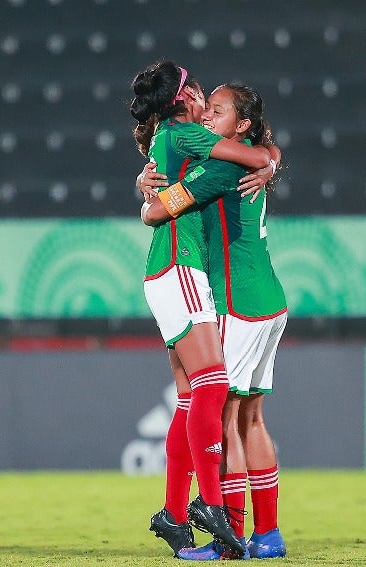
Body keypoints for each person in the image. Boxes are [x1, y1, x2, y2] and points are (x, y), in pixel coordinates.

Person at [129, 60, 274, 559]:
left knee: (192, 396)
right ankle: (211, 505)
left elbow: (251, 153)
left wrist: (147, 200)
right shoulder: (184, 135)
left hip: (165, 269)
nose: (201, 97)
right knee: (214, 384)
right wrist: (270, 160)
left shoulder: (169, 138)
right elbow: (250, 155)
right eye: (196, 91)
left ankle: (173, 513)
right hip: (180, 265)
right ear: (181, 97)